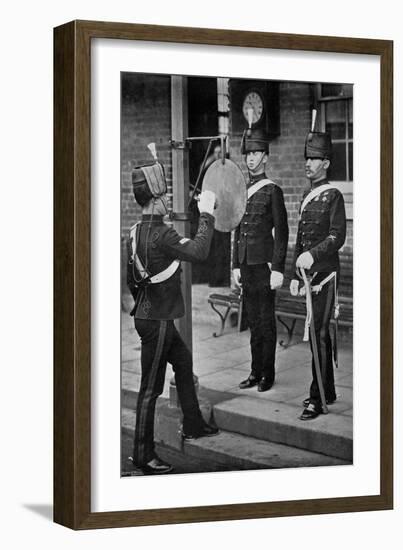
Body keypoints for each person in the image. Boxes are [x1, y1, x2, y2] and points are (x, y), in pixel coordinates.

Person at [127, 157, 219, 475]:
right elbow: (198, 251)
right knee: (149, 389)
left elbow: (131, 280)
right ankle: (143, 455)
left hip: (149, 314)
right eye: (164, 196)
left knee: (183, 362)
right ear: (154, 198)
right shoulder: (162, 234)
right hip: (159, 321)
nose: (168, 201)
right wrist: (206, 213)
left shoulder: (135, 231)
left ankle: (192, 424)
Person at [290, 130, 346, 420]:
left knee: (319, 335)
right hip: (308, 278)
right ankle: (329, 390)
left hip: (326, 276)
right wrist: (295, 275)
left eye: (314, 159)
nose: (308, 164)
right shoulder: (305, 196)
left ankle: (317, 398)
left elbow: (338, 236)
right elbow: (300, 238)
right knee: (317, 336)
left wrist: (314, 255)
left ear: (326, 162)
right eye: (307, 158)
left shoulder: (333, 195)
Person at [232, 128, 289, 392]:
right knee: (253, 322)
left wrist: (278, 268)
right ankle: (255, 372)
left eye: (256, 154)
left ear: (265, 157)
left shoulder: (272, 190)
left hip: (264, 267)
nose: (251, 159)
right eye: (248, 154)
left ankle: (268, 373)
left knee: (266, 321)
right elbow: (236, 228)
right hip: (246, 265)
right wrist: (235, 264)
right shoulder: (242, 190)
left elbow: (282, 232)